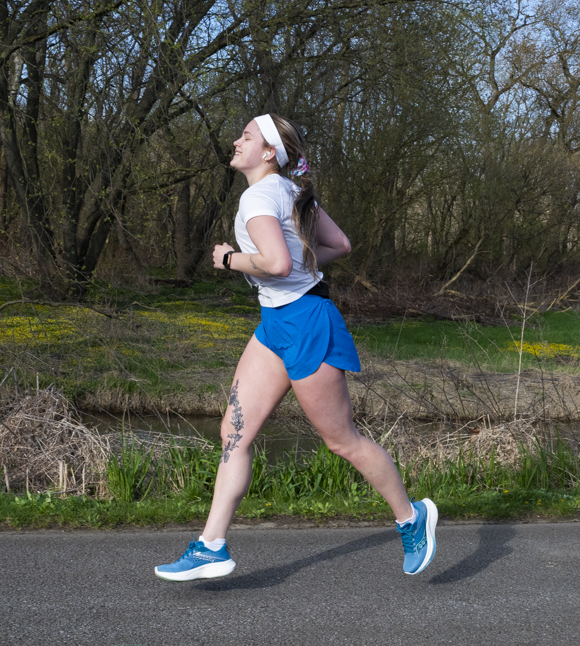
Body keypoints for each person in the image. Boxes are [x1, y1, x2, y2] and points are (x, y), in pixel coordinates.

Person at [155, 114, 437, 582]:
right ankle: (210, 547)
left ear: (269, 152)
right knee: (234, 433)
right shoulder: (290, 190)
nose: (236, 141)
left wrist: (229, 258)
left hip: (305, 323)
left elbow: (277, 263)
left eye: (246, 136)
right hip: (276, 323)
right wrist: (298, 264)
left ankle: (412, 517)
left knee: (341, 440)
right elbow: (339, 245)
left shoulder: (259, 197)